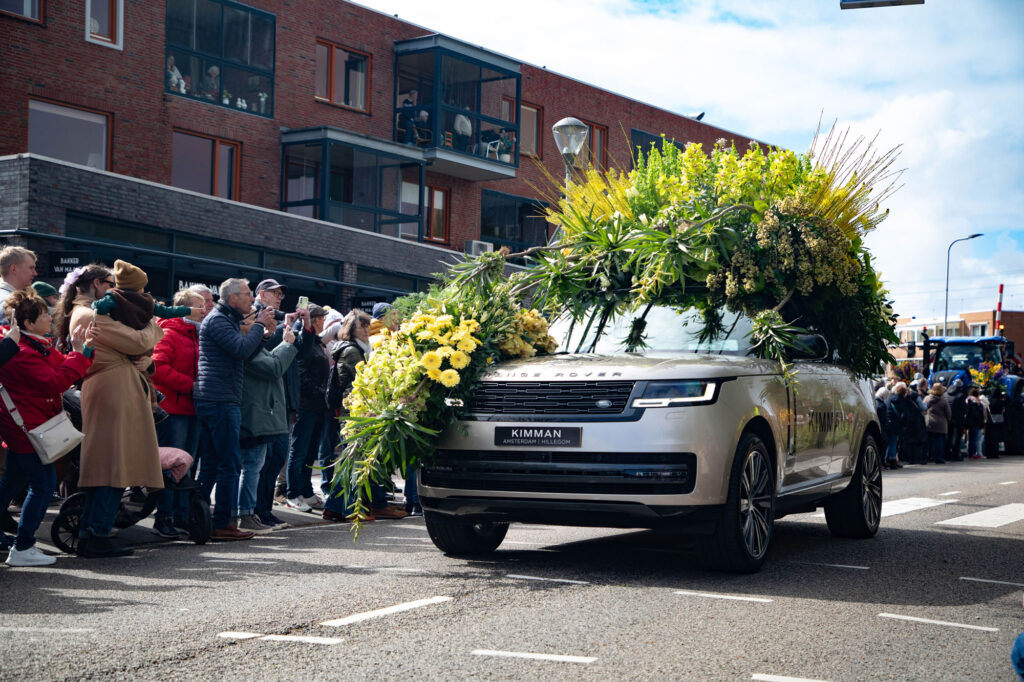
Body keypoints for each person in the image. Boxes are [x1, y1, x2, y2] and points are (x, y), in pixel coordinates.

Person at [62, 264, 165, 558]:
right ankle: (95, 533)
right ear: (96, 284)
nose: (116, 291)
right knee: (112, 466)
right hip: (112, 392)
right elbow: (138, 341)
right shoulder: (88, 314)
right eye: (111, 284)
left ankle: (95, 531)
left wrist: (147, 361)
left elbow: (134, 350)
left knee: (113, 465)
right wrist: (153, 323)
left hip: (116, 389)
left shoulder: (91, 311)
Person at [0, 291, 93, 566]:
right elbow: (55, 382)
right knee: (43, 486)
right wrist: (79, 353)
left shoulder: (32, 344)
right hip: (28, 427)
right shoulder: (22, 352)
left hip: (29, 424)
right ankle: (23, 547)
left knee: (12, 482)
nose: (50, 317)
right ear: (28, 323)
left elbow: (62, 367)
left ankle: (22, 544)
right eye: (43, 315)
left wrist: (81, 350)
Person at [194, 278, 275, 541]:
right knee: (230, 464)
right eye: (247, 294)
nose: (252, 299)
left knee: (212, 464)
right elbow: (240, 350)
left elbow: (243, 353)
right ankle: (221, 523)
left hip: (217, 399)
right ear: (231, 299)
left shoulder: (224, 319)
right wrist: (260, 324)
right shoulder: (218, 320)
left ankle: (198, 519)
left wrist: (263, 337)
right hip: (219, 400)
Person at [323, 309, 407, 522]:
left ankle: (335, 506)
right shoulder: (352, 351)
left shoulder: (362, 348)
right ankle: (351, 507)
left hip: (359, 410)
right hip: (354, 412)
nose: (367, 330)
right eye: (362, 326)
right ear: (351, 329)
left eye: (368, 325)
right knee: (354, 459)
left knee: (355, 459)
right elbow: (361, 381)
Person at [236, 308, 298, 534]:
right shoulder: (243, 344)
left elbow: (271, 360)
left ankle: (249, 512)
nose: (261, 324)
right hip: (255, 414)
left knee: (255, 466)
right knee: (251, 467)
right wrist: (287, 344)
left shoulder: (250, 342)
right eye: (255, 320)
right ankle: (245, 513)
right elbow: (273, 367)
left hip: (262, 413)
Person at [151, 288, 206, 537]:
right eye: (198, 306)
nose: (204, 310)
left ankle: (182, 515)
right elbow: (158, 368)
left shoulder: (197, 335)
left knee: (188, 464)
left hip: (192, 408)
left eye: (205, 305)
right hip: (173, 410)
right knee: (171, 465)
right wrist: (190, 386)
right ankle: (164, 517)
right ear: (183, 307)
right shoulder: (169, 332)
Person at [285, 304, 332, 512]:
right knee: (299, 449)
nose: (324, 322)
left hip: (318, 405)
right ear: (312, 320)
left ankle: (305, 490)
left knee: (310, 450)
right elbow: (301, 375)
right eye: (321, 318)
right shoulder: (304, 341)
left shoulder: (317, 341)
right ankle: (292, 493)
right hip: (306, 404)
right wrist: (323, 391)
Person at [924, 383, 951, 464]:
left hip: (930, 422)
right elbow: (948, 413)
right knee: (940, 442)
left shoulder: (927, 399)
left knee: (930, 441)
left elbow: (923, 408)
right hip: (941, 424)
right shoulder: (943, 400)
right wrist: (948, 420)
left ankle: (929, 457)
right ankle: (939, 458)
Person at [885, 382, 909, 469]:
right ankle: (892, 461)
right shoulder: (903, 401)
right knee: (894, 443)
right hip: (897, 425)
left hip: (888, 423)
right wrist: (904, 425)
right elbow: (904, 415)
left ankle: (885, 461)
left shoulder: (889, 398)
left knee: (888, 443)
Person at [945, 378, 967, 461]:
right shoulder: (960, 396)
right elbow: (964, 408)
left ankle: (947, 454)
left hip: (947, 419)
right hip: (958, 420)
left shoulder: (945, 394)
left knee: (948, 437)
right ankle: (955, 455)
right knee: (957, 438)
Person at [985, 386, 1007, 459]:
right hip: (998, 421)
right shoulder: (1000, 401)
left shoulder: (989, 400)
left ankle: (988, 453)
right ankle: (995, 453)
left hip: (990, 420)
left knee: (989, 438)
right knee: (996, 438)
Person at [965, 386, 987, 459]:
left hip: (968, 421)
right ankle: (973, 453)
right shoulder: (978, 401)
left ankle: (970, 452)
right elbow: (982, 412)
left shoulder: (967, 399)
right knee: (975, 438)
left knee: (970, 438)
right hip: (976, 422)